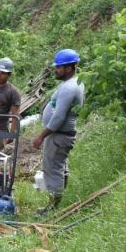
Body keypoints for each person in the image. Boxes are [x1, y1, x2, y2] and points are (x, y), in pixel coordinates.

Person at [31, 49, 84, 214]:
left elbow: (59, 117)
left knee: (53, 170)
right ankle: (56, 205)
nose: (56, 70)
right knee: (60, 169)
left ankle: (52, 209)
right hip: (60, 136)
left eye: (59, 67)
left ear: (69, 68)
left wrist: (41, 136)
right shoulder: (75, 83)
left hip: (58, 136)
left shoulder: (69, 88)